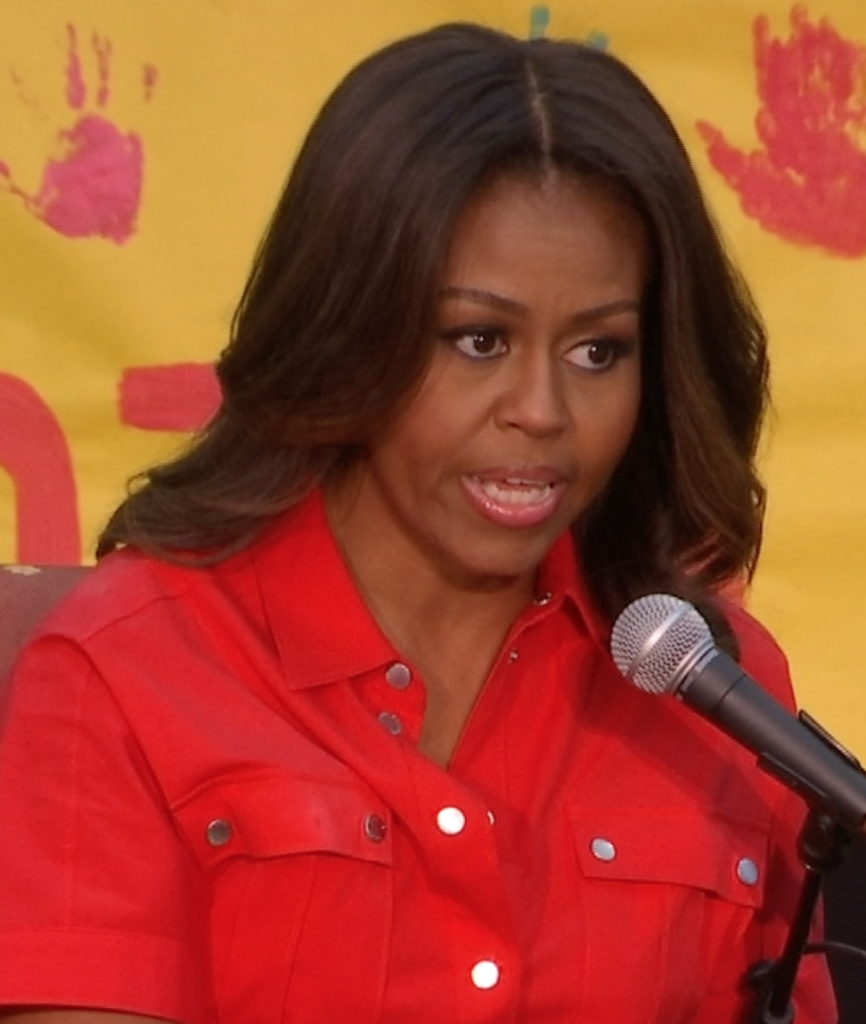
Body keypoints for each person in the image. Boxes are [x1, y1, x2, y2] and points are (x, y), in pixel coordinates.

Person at [0, 21, 837, 1024]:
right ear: (347, 329)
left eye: (597, 352)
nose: (540, 408)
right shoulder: (129, 667)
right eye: (476, 339)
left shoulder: (713, 685)